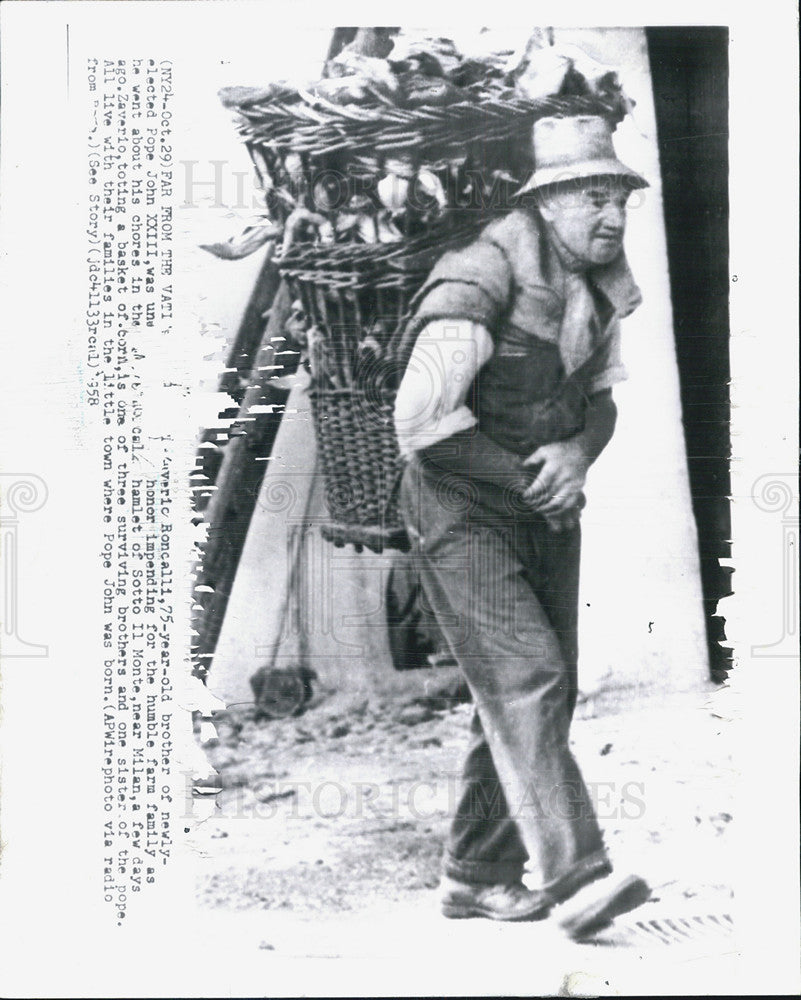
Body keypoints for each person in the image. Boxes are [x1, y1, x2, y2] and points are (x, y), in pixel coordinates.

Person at [393, 115, 652, 936]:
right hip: (460, 500)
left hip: (543, 501)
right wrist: (526, 479)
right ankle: (576, 880)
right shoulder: (476, 278)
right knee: (528, 676)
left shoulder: (600, 280)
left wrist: (575, 453)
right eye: (589, 198)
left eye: (617, 199)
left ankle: (475, 874)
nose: (609, 217)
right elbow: (420, 424)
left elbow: (601, 397)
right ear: (544, 202)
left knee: (528, 689)